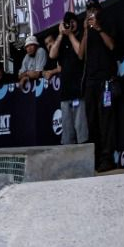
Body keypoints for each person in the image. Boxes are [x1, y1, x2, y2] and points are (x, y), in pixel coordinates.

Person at [82, 0, 120, 172]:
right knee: (92, 120)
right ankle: (95, 158)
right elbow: (81, 54)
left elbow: (112, 46)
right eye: (89, 10)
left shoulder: (107, 24)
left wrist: (98, 28)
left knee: (106, 121)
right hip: (90, 81)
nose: (91, 13)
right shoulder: (86, 31)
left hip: (105, 79)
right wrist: (84, 32)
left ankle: (107, 158)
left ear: (99, 11)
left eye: (93, 10)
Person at [46, 11, 87, 148]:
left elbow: (80, 53)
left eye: (73, 21)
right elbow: (52, 55)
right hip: (65, 92)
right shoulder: (62, 40)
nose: (70, 24)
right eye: (68, 22)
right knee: (68, 132)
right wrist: (60, 35)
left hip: (79, 91)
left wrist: (70, 35)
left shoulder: (81, 36)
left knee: (81, 129)